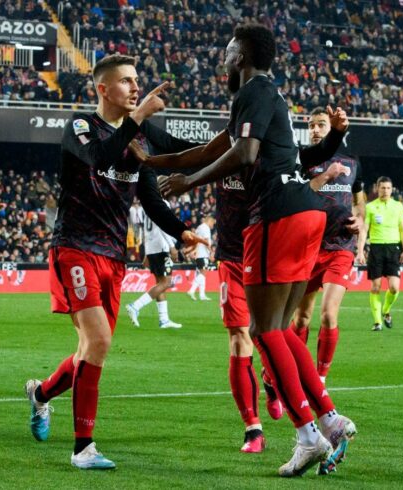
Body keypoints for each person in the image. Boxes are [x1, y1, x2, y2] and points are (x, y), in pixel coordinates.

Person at [159, 24, 356, 477]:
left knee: (265, 332)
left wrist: (189, 182)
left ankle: (308, 435)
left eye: (228, 49)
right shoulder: (276, 97)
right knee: (283, 330)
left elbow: (245, 154)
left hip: (275, 216)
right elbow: (288, 157)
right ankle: (329, 417)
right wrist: (156, 163)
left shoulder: (250, 93)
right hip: (307, 213)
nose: (224, 57)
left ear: (241, 54)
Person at [22, 54, 208, 470]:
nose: (135, 87)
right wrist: (139, 117)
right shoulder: (81, 127)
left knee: (90, 349)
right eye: (126, 81)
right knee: (100, 341)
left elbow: (155, 192)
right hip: (74, 247)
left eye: (137, 81)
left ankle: (39, 394)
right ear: (102, 89)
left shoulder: (138, 139)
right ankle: (83, 448)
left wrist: (182, 232)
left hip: (112, 256)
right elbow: (100, 159)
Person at [132, 103, 350, 453]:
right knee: (240, 338)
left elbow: (313, 160)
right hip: (232, 258)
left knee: (271, 330)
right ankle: (253, 428)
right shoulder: (227, 152)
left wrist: (337, 136)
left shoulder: (274, 158)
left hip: (267, 247)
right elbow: (177, 146)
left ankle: (283, 392)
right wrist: (137, 121)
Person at [288, 107, 367, 383]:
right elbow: (295, 195)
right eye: (311, 125)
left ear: (332, 127)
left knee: (329, 314)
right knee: (301, 318)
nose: (315, 129)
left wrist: (359, 219)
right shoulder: (302, 161)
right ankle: (296, 372)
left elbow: (360, 200)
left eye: (321, 124)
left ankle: (319, 380)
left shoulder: (352, 161)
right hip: (308, 247)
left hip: (340, 246)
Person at [125, 186, 183, 329]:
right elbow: (164, 227)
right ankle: (135, 306)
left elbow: (147, 229)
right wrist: (171, 246)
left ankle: (164, 320)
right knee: (166, 282)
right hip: (162, 247)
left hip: (152, 247)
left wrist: (146, 252)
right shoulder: (163, 204)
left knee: (159, 283)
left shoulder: (147, 205)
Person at [365, 176, 403, 331]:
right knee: (376, 286)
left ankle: (385, 311)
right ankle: (377, 322)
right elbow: (364, 230)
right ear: (377, 188)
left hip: (393, 249)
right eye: (382, 187)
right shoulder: (370, 207)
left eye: (388, 188)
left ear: (392, 189)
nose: (385, 191)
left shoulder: (398, 206)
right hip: (376, 248)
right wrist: (359, 251)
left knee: (394, 288)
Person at [186, 215, 213, 300]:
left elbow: (195, 241)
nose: (213, 226)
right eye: (213, 223)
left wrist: (193, 251)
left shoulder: (199, 228)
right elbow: (206, 241)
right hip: (203, 254)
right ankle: (191, 290)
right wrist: (211, 252)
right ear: (210, 221)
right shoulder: (206, 228)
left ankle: (202, 295)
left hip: (198, 254)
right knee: (203, 273)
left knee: (202, 274)